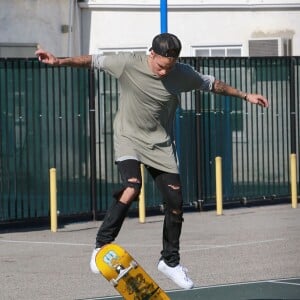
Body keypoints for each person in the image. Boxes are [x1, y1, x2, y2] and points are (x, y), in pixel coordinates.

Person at [35, 33, 268, 290]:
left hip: (160, 145)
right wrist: (59, 62)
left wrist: (246, 96)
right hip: (129, 138)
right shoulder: (127, 63)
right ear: (151, 54)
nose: (163, 72)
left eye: (169, 67)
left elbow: (212, 84)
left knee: (176, 203)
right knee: (132, 187)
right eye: (160, 66)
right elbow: (92, 60)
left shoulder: (182, 73)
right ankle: (101, 245)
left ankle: (170, 261)